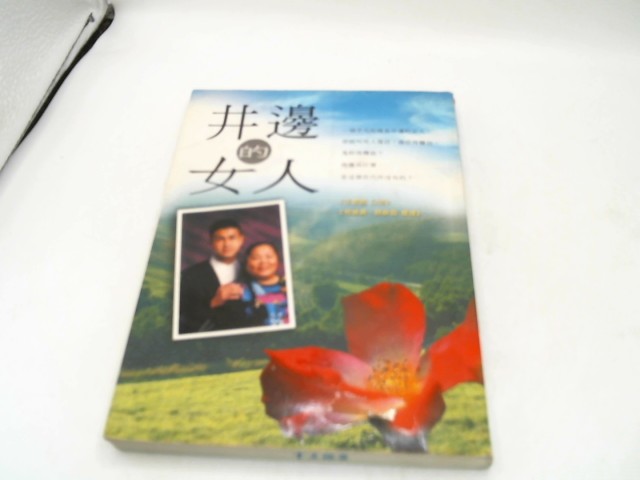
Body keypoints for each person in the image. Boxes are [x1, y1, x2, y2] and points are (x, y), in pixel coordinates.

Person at [179, 218, 254, 333]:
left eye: (232, 238)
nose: (227, 244)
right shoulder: (190, 275)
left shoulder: (251, 271)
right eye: (220, 239)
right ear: (211, 243)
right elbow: (183, 317)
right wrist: (214, 302)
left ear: (242, 240)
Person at [240, 242, 289, 326]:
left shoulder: (290, 284)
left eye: (269, 257)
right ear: (247, 262)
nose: (263, 262)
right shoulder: (241, 291)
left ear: (278, 259)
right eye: (256, 258)